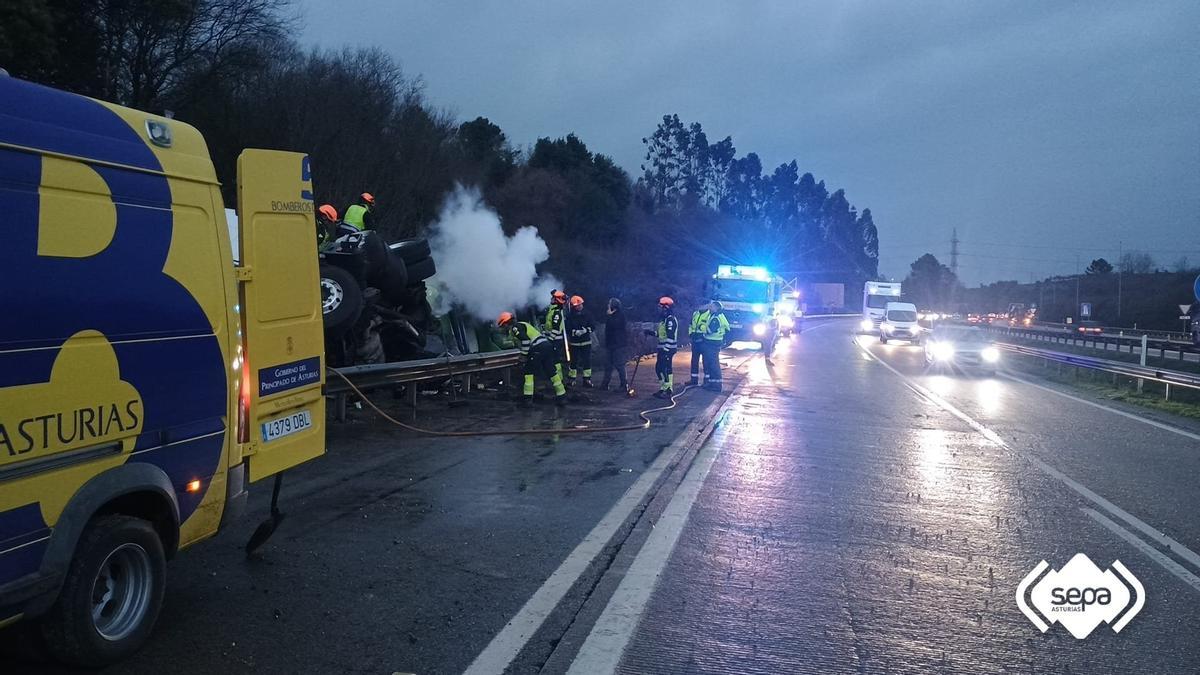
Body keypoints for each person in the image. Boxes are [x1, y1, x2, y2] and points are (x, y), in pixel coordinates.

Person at [498, 312, 566, 406]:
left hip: (537, 348)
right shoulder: (523, 324)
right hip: (547, 346)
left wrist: (523, 356)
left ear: (505, 323)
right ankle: (561, 396)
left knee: (528, 373)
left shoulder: (515, 328)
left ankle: (528, 400)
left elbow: (526, 341)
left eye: (503, 326)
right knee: (551, 371)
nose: (503, 328)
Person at [644, 296, 679, 399]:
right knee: (659, 368)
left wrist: (666, 349)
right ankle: (664, 388)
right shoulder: (664, 320)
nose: (659, 309)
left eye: (661, 307)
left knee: (665, 368)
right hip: (663, 348)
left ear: (666, 308)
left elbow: (671, 336)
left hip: (668, 349)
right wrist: (650, 333)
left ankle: (668, 389)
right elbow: (661, 334)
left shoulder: (670, 320)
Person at [699, 300, 730, 391]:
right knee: (711, 364)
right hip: (713, 343)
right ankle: (713, 384)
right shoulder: (716, 316)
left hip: (712, 343)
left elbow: (709, 330)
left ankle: (716, 386)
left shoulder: (716, 318)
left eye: (712, 307)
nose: (710, 308)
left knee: (713, 365)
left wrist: (701, 327)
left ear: (716, 308)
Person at [600, 298, 629, 393]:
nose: (607, 305)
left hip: (618, 344)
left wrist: (609, 316)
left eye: (609, 304)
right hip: (611, 344)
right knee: (608, 365)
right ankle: (605, 384)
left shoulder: (620, 316)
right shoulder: (613, 316)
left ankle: (624, 385)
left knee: (619, 365)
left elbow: (615, 326)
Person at [566, 295, 595, 387]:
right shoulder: (570, 316)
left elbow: (593, 326)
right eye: (577, 305)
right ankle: (572, 379)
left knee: (587, 361)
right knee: (573, 361)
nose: (579, 306)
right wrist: (574, 332)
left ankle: (587, 380)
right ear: (573, 306)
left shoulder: (588, 314)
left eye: (580, 304)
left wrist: (585, 330)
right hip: (574, 343)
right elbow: (567, 328)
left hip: (586, 342)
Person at [544, 289, 568, 380]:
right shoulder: (552, 311)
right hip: (552, 339)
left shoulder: (556, 313)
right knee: (553, 360)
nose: (551, 299)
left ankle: (559, 379)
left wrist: (549, 340)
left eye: (553, 298)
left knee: (556, 360)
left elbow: (556, 329)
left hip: (555, 341)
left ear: (557, 300)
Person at [688, 304, 707, 385]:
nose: (699, 306)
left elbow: (709, 328)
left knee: (705, 361)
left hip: (704, 341)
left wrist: (703, 336)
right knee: (694, 361)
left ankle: (706, 381)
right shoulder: (695, 313)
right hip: (695, 340)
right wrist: (690, 334)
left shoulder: (709, 315)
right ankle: (694, 380)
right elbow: (691, 324)